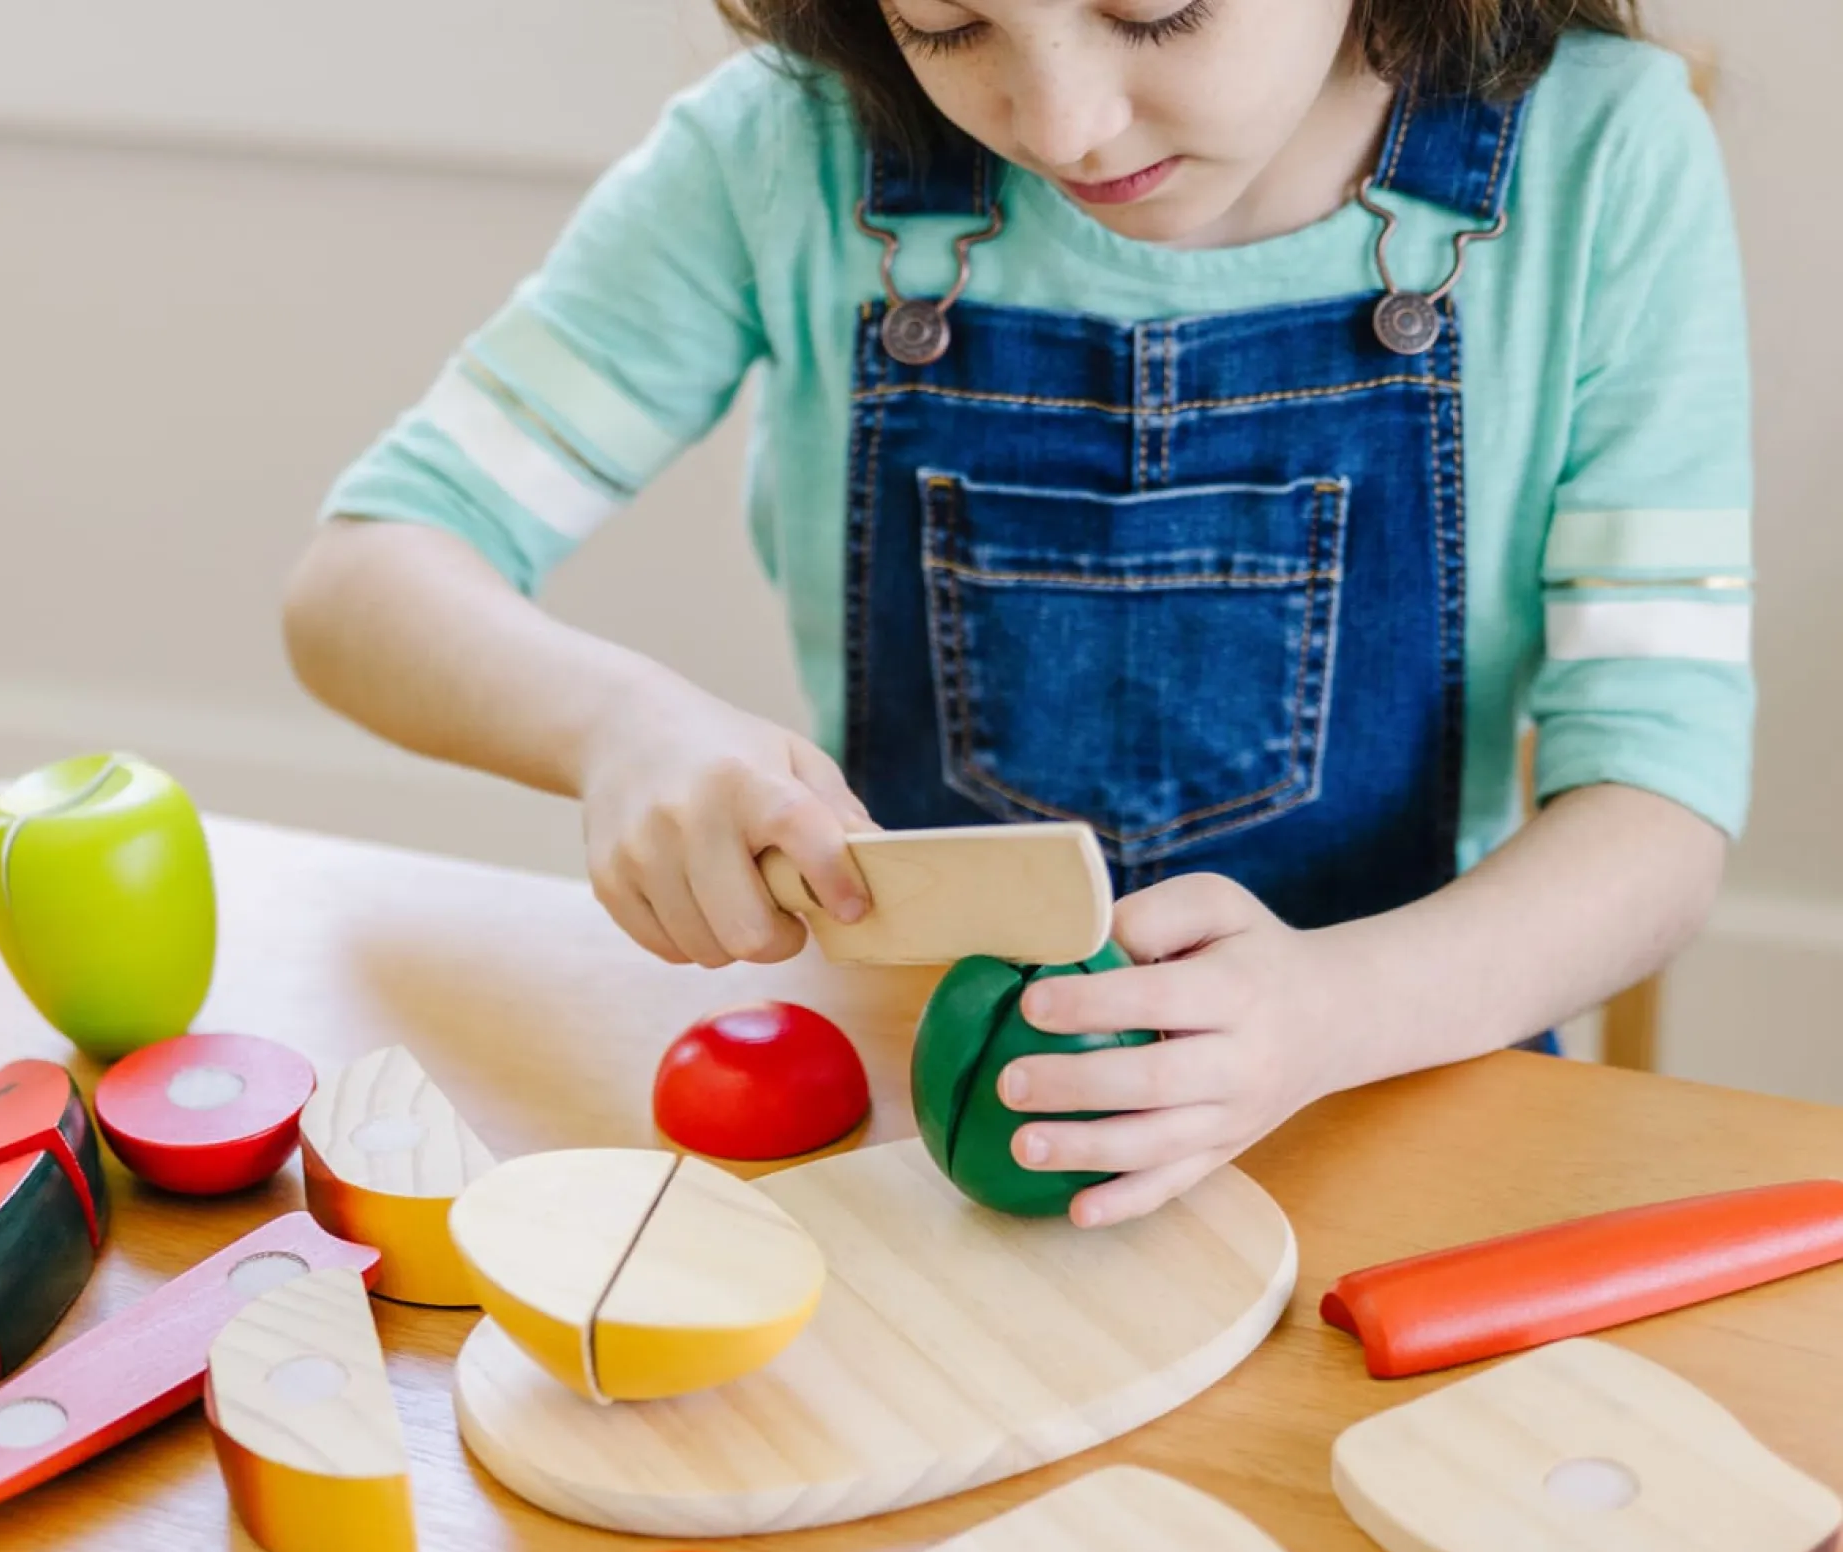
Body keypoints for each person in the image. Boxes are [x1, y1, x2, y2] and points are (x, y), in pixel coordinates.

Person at [284, 0, 1753, 1228]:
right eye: (945, 22)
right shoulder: (783, 151)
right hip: (928, 1117)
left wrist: (1328, 1016)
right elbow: (361, 581)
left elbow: (1657, 809)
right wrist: (618, 728)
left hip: (1405, 1090)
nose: (1061, 122)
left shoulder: (1598, 162)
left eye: (1155, 7)